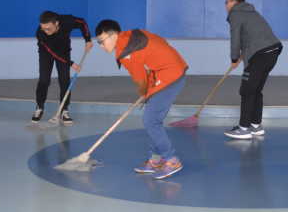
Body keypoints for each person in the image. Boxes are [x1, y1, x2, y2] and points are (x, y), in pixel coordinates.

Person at [95, 19, 188, 180]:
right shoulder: (132, 35)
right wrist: (149, 88)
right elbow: (159, 44)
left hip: (170, 76)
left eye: (101, 41)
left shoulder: (125, 52)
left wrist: (145, 92)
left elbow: (140, 80)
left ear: (113, 35)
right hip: (169, 69)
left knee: (151, 121)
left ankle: (171, 160)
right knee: (154, 119)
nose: (101, 46)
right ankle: (155, 160)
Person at [224, 0, 283, 140]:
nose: (225, 5)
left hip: (261, 54)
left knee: (247, 90)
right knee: (255, 89)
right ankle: (256, 126)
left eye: (226, 1)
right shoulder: (251, 12)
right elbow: (251, 38)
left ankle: (243, 128)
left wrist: (234, 58)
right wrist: (240, 57)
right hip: (273, 50)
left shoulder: (236, 14)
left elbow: (235, 38)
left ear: (234, 1)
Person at [33, 10, 92, 125]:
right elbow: (53, 53)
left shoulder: (67, 21)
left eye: (48, 29)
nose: (45, 31)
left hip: (64, 51)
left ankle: (64, 110)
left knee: (64, 80)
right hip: (46, 53)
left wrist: (88, 39)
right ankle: (39, 106)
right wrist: (71, 63)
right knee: (44, 80)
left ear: (56, 23)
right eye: (43, 28)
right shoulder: (40, 33)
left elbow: (82, 22)